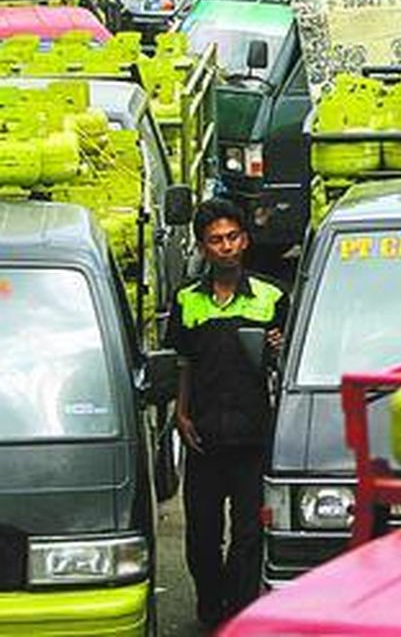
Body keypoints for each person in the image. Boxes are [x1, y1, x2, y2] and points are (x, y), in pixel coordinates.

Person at [166, 198, 288, 629]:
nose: (226, 247)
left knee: (249, 537)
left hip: (253, 437)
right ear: (203, 247)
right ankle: (210, 604)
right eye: (215, 240)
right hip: (203, 437)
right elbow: (182, 362)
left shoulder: (273, 297)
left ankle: (238, 615)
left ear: (245, 240)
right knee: (201, 538)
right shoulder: (186, 301)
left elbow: (287, 366)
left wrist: (278, 348)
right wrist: (180, 416)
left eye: (232, 237)